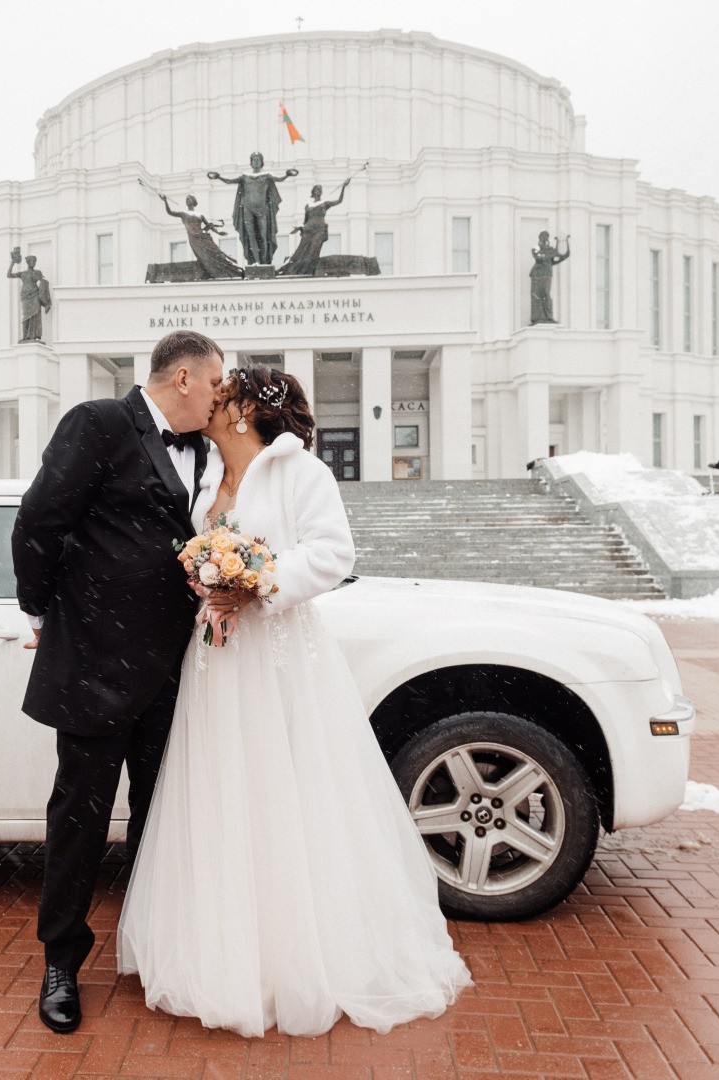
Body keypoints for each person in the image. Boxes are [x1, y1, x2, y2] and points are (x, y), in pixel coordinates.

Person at [117, 365, 472, 1038]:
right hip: (216, 662)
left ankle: (301, 959)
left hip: (280, 658)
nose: (212, 402)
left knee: (290, 794)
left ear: (247, 410)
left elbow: (332, 554)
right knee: (221, 796)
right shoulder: (202, 478)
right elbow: (195, 556)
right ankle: (223, 955)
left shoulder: (299, 472)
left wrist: (257, 581)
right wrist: (207, 584)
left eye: (223, 396)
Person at [11, 329, 223, 1035]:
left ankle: (150, 948)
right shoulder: (99, 421)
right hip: (97, 663)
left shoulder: (211, 453)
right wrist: (46, 609)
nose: (221, 398)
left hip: (176, 670)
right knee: (79, 817)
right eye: (216, 384)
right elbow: (40, 520)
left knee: (161, 817)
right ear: (185, 377)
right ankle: (60, 963)